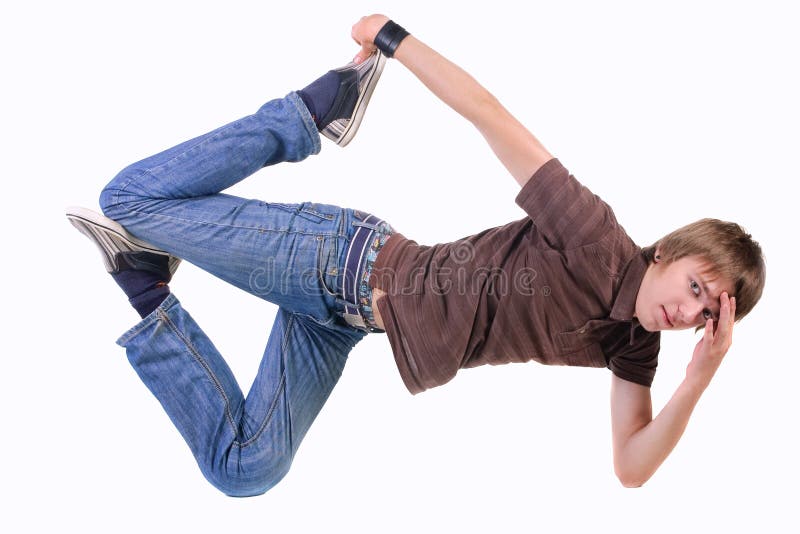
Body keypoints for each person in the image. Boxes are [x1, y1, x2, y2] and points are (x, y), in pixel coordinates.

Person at [66, 15, 765, 496]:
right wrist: (394, 40)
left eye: (707, 310)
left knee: (247, 469)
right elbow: (490, 112)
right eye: (698, 283)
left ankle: (149, 289)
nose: (689, 309)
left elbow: (632, 468)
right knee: (131, 198)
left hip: (345, 321)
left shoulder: (633, 346)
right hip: (340, 261)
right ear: (671, 252)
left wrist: (700, 377)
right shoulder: (591, 234)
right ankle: (308, 116)